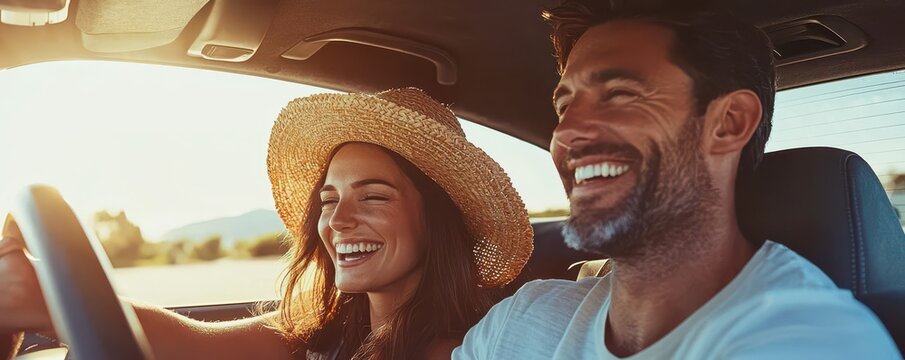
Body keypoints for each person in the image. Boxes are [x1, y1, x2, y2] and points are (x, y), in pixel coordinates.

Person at [453, 1, 900, 359]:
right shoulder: (522, 319)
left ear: (728, 123)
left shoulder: (811, 340)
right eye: (564, 106)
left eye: (620, 94)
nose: (566, 133)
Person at [0, 88, 534, 359]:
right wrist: (51, 292)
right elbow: (198, 346)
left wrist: (46, 299)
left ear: (436, 222)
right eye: (328, 200)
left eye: (373, 197)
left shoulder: (459, 349)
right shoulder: (330, 329)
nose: (339, 221)